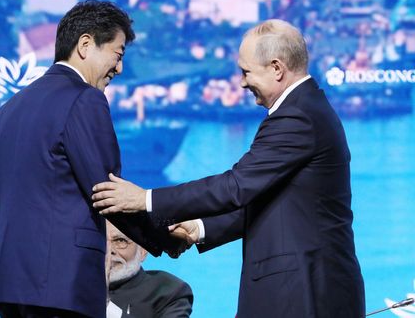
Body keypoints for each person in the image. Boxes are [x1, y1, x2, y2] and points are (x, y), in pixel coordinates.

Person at [92, 19, 365, 317]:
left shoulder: (297, 117)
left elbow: (236, 186)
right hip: (306, 289)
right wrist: (199, 228)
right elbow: (268, 198)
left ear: (276, 68)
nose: (242, 82)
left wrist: (144, 199)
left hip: (303, 293)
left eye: (246, 72)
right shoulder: (306, 110)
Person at [0, 0, 183, 318]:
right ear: (86, 45)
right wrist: (163, 237)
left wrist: (33, 231)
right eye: (118, 54)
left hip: (11, 286)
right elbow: (108, 192)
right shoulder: (86, 99)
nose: (119, 68)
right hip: (66, 286)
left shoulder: (12, 107)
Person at [106, 222, 193, 318]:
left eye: (120, 241)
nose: (109, 250)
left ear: (143, 251)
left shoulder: (168, 290)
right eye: (101, 240)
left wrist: (106, 307)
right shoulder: (86, 285)